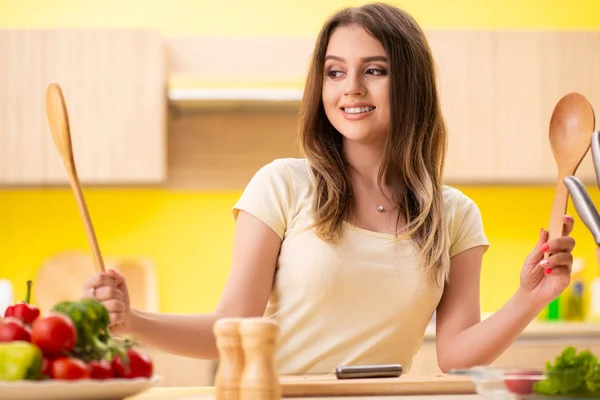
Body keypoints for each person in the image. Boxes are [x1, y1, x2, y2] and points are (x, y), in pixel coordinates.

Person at [83, 2, 576, 375]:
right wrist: (134, 321)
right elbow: (231, 326)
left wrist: (529, 299)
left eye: (375, 70)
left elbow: (453, 353)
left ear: (412, 84)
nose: (351, 87)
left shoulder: (455, 215)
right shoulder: (281, 185)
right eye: (335, 71)